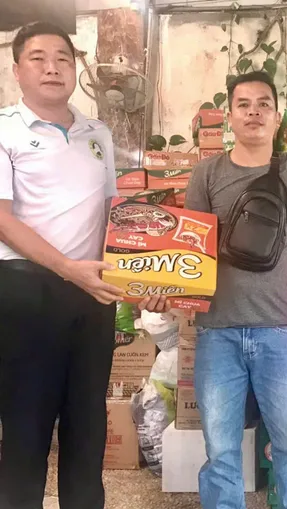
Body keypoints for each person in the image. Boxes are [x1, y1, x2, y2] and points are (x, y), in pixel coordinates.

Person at [0, 22, 166, 509]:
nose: (52, 67)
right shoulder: (4, 129)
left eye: (63, 58)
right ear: (17, 70)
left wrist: (143, 279)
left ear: (75, 69)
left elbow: (115, 217)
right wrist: (67, 268)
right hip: (26, 292)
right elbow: (2, 220)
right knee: (26, 425)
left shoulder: (98, 132)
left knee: (87, 423)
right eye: (38, 58)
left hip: (93, 294)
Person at [185, 71, 287, 509]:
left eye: (264, 104)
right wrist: (164, 291)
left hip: (280, 328)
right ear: (229, 116)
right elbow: (189, 247)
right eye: (243, 104)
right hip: (217, 330)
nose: (254, 112)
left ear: (277, 117)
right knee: (221, 452)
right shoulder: (206, 173)